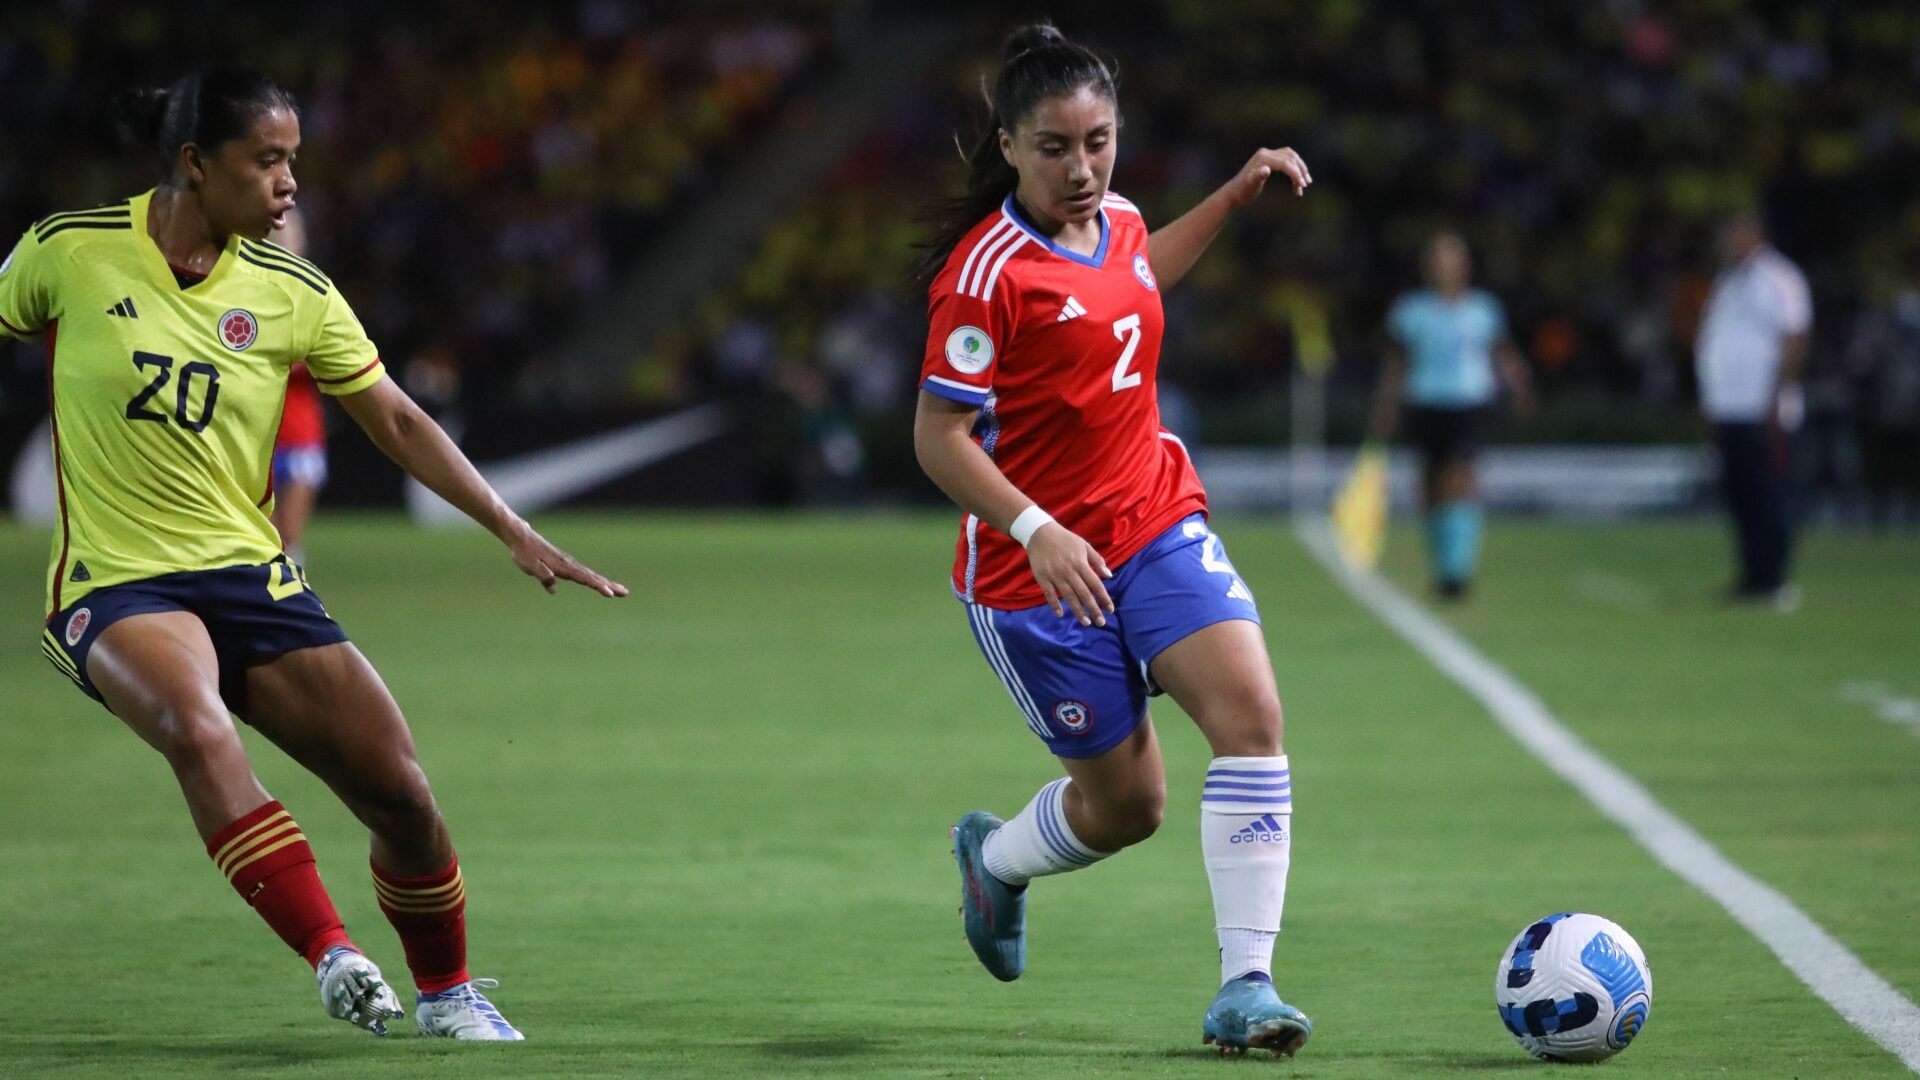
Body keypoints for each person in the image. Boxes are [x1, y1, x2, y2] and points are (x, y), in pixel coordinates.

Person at [1, 68, 626, 1039]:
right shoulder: (68, 251)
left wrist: (511, 526)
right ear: (197, 166)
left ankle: (449, 995)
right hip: (117, 585)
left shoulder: (295, 291)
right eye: (269, 161)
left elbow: (398, 420)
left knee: (403, 796)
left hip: (252, 579)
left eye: (296, 161)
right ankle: (335, 953)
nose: (292, 183)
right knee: (197, 728)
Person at [912, 24, 1313, 1057]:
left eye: (1099, 141)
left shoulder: (1118, 217)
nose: (1082, 168)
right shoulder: (985, 274)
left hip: (1151, 516)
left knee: (1252, 716)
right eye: (1055, 147)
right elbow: (936, 437)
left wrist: (1229, 197)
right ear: (1006, 144)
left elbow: (1132, 277)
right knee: (1129, 806)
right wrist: (1036, 528)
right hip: (1032, 572)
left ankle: (1248, 987)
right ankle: (995, 863)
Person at [1369, 232, 1533, 600]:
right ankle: (1443, 562)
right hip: (1425, 403)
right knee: (1430, 485)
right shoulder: (1411, 311)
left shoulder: (1482, 309)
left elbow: (1501, 352)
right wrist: (1386, 409)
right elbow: (1397, 365)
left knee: (1461, 478)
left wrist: (1520, 386)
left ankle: (1457, 571)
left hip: (1467, 403)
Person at [1695, 211, 1811, 609]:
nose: (1725, 241)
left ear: (1754, 234)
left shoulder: (1779, 278)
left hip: (1763, 409)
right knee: (1740, 495)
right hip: (1731, 408)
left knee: (1769, 495)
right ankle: (1751, 576)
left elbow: (1795, 337)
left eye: (1732, 232)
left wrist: (1778, 399)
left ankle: (1773, 579)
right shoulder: (1728, 280)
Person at [267, 209, 325, 564]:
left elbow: (326, 360)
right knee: (263, 535)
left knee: (289, 532)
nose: (283, 238)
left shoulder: (315, 295)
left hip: (302, 434)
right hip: (256, 436)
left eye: (290, 232)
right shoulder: (244, 286)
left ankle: (291, 594)